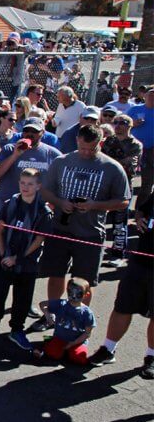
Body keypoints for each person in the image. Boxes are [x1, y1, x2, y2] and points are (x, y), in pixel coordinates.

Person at [39, 124, 130, 305]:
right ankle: (55, 312)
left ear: (101, 143)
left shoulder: (112, 168)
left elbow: (124, 201)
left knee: (83, 280)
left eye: (92, 149)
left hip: (90, 232)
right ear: (76, 141)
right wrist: (60, 202)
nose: (86, 152)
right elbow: (45, 191)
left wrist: (95, 205)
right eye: (82, 148)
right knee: (56, 274)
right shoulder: (61, 162)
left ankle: (79, 317)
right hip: (60, 229)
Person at [0, 168, 52, 349]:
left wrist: (17, 258)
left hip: (27, 264)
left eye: (30, 184)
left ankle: (17, 330)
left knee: (22, 300)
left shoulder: (43, 211)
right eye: (23, 183)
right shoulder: (10, 204)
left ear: (38, 186)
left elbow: (39, 240)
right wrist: (4, 253)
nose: (26, 187)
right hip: (5, 259)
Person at [88, 195, 153, 377]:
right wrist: (139, 218)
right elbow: (142, 209)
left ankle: (151, 357)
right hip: (140, 260)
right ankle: (108, 349)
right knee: (122, 306)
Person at [102, 113, 143, 257]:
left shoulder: (135, 145)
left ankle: (118, 252)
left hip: (123, 186)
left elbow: (130, 166)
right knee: (99, 216)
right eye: (116, 122)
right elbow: (102, 160)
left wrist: (114, 162)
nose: (118, 126)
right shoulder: (108, 141)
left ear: (130, 126)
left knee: (119, 222)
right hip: (105, 184)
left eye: (122, 123)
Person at [30, 278, 95, 365]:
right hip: (60, 338)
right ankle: (49, 341)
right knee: (54, 354)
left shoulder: (87, 313)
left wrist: (73, 344)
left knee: (79, 358)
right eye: (70, 292)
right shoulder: (61, 304)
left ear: (86, 295)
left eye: (78, 294)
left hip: (77, 341)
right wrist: (48, 316)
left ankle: (52, 342)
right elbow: (42, 304)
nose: (73, 296)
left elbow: (87, 333)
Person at [127, 88, 154, 205]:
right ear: (145, 97)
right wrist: (133, 123)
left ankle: (140, 209)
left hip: (151, 150)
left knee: (147, 182)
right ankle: (123, 207)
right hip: (134, 149)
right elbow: (122, 124)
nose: (152, 98)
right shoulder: (135, 109)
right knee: (129, 178)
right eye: (150, 96)